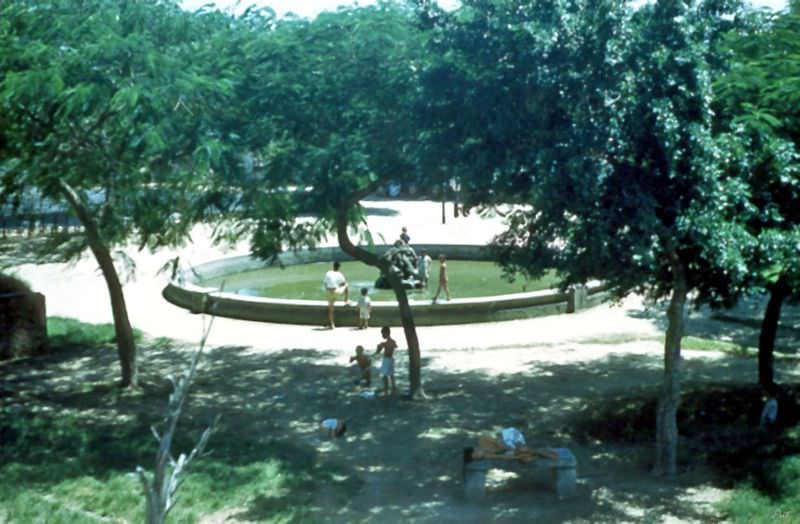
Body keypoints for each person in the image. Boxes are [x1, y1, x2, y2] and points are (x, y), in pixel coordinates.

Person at [323, 261, 349, 328]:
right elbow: (343, 283)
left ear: (333, 266)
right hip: (336, 292)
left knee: (331, 309)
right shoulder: (340, 274)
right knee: (347, 285)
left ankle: (332, 324)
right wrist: (340, 285)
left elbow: (325, 284)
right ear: (339, 267)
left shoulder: (328, 273)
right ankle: (346, 300)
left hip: (328, 292)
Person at [373, 326, 398, 396]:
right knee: (391, 375)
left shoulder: (385, 343)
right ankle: (393, 389)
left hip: (386, 360)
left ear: (387, 333)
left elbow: (378, 351)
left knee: (385, 375)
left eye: (383, 334)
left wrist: (379, 347)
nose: (382, 336)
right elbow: (395, 346)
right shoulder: (392, 342)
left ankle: (386, 390)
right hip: (392, 360)